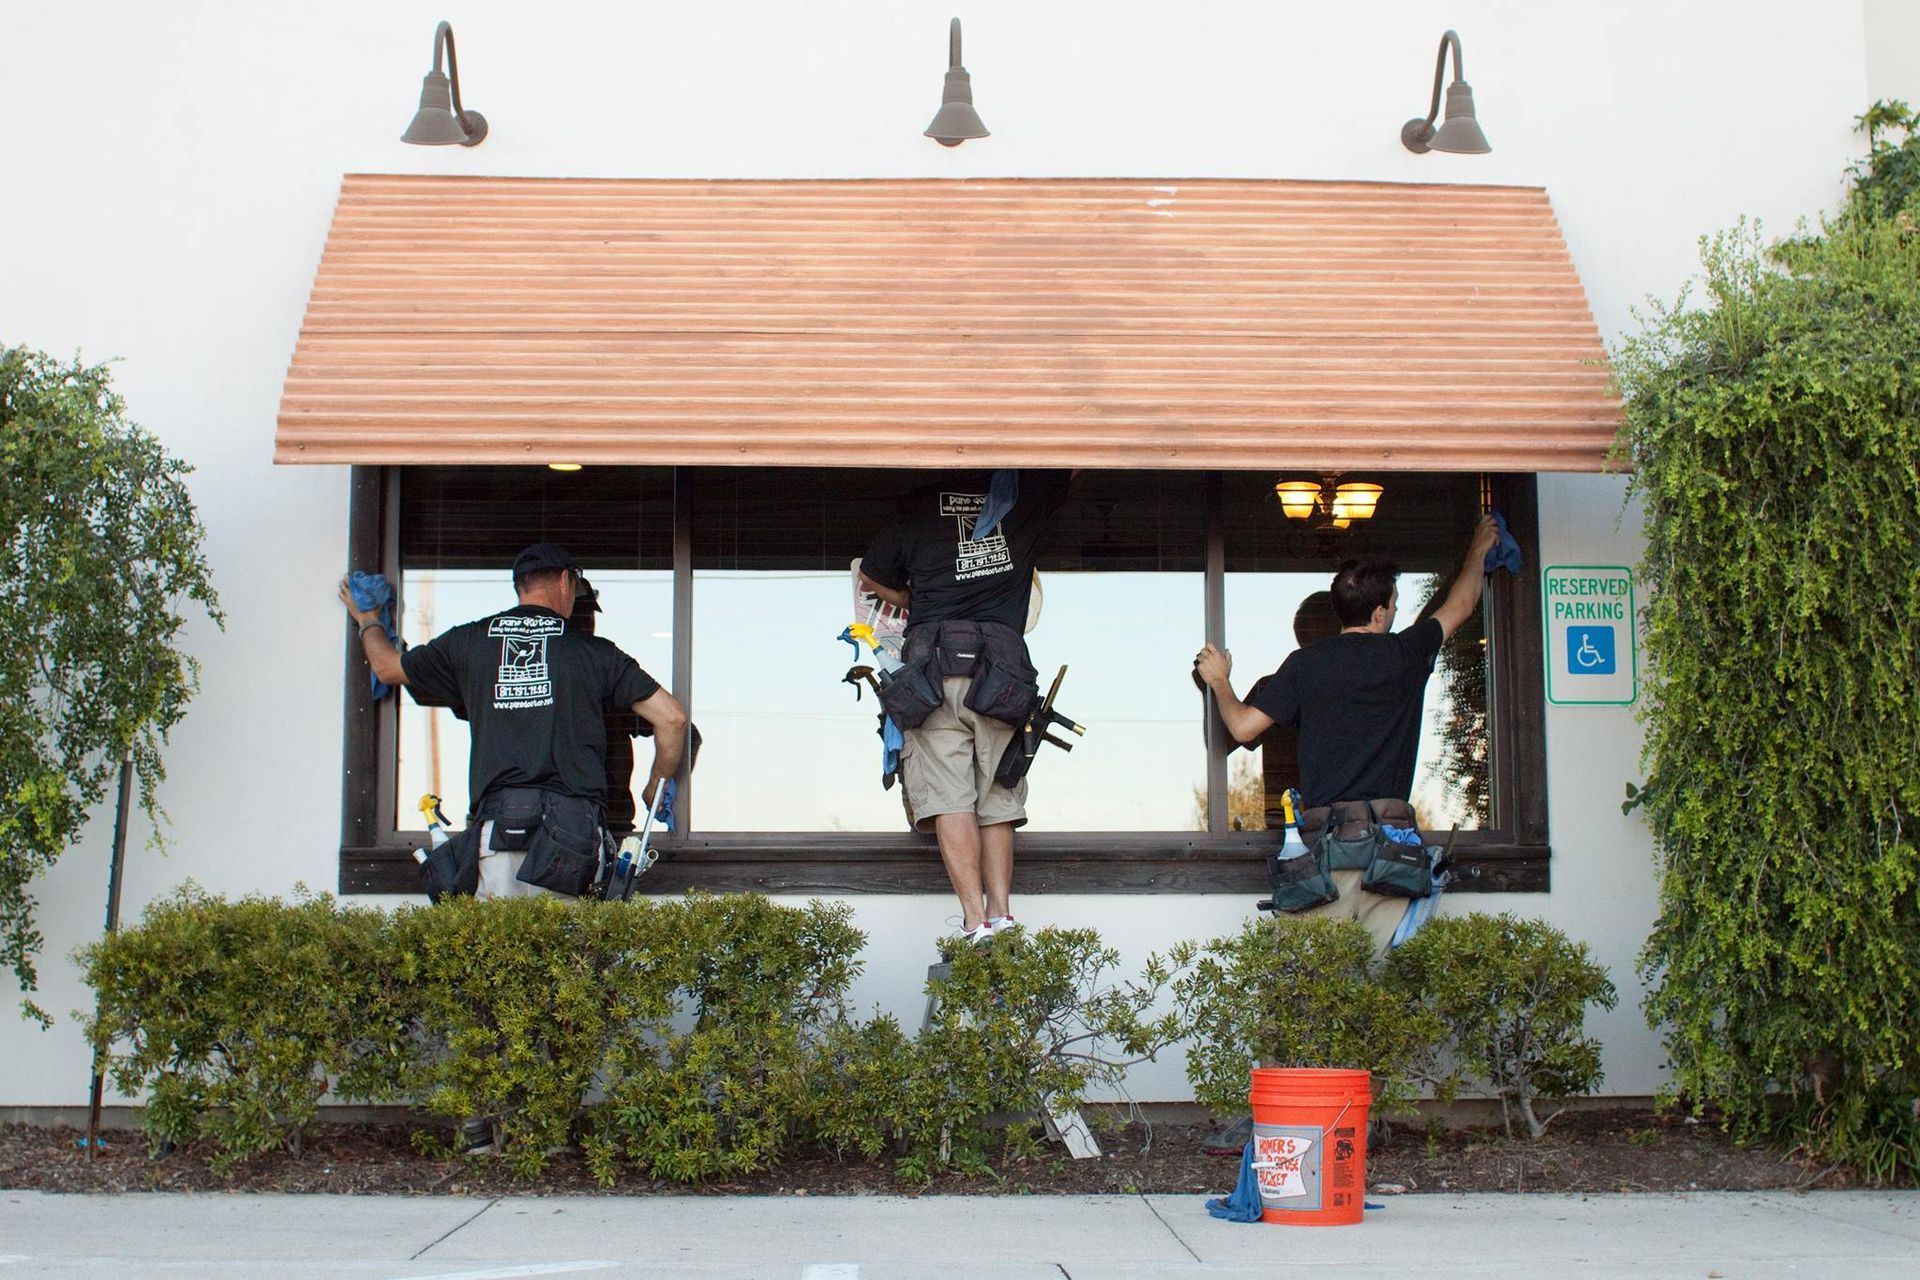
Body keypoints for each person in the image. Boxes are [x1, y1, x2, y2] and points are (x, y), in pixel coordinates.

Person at [1195, 515, 1501, 951]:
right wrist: (1476, 552)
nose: (1396, 610)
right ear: (1379, 613)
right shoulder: (1405, 654)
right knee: (1385, 989)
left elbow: (1243, 728)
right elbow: (1462, 604)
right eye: (1394, 603)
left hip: (1324, 851)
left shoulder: (1305, 665)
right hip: (1391, 849)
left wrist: (1220, 681)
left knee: (1321, 988)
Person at [338, 543, 687, 898]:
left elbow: (386, 667)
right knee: (572, 951)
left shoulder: (468, 641)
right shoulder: (595, 654)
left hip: (497, 834)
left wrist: (369, 619)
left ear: (520, 586)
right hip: (573, 838)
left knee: (505, 947)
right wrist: (656, 786)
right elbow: (672, 718)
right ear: (566, 582)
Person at [859, 469, 1073, 944]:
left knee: (950, 798)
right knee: (997, 799)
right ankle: (1001, 916)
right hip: (1002, 676)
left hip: (934, 669)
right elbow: (1076, 454)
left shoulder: (915, 504)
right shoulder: (1024, 494)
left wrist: (915, 601)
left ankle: (975, 923)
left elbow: (872, 577)